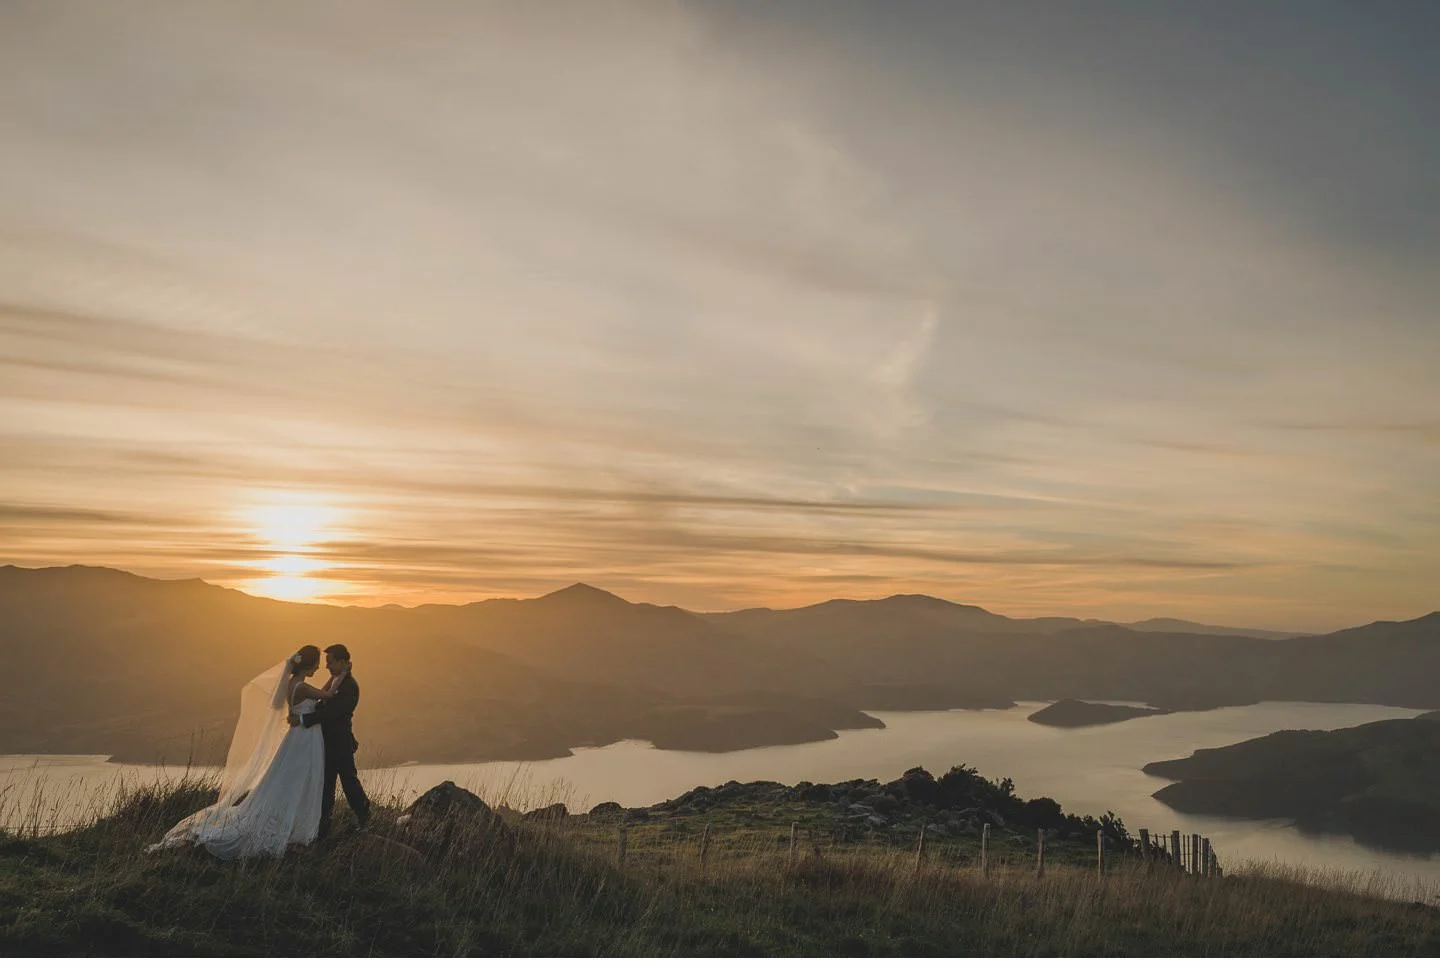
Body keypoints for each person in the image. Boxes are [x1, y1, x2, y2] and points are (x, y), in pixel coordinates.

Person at [147, 645, 336, 859]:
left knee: (287, 780)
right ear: (308, 664)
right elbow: (328, 696)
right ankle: (290, 827)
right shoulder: (302, 688)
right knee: (296, 781)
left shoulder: (294, 684)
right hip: (303, 738)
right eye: (317, 664)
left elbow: (321, 694)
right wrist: (341, 675)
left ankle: (289, 824)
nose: (319, 667)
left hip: (297, 738)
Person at [290, 643, 370, 837]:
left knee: (349, 782)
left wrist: (302, 719)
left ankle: (364, 816)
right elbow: (322, 702)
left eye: (331, 662)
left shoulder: (350, 686)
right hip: (324, 742)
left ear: (343, 662)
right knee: (326, 786)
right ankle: (322, 827)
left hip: (340, 743)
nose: (327, 666)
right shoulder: (336, 681)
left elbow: (334, 712)